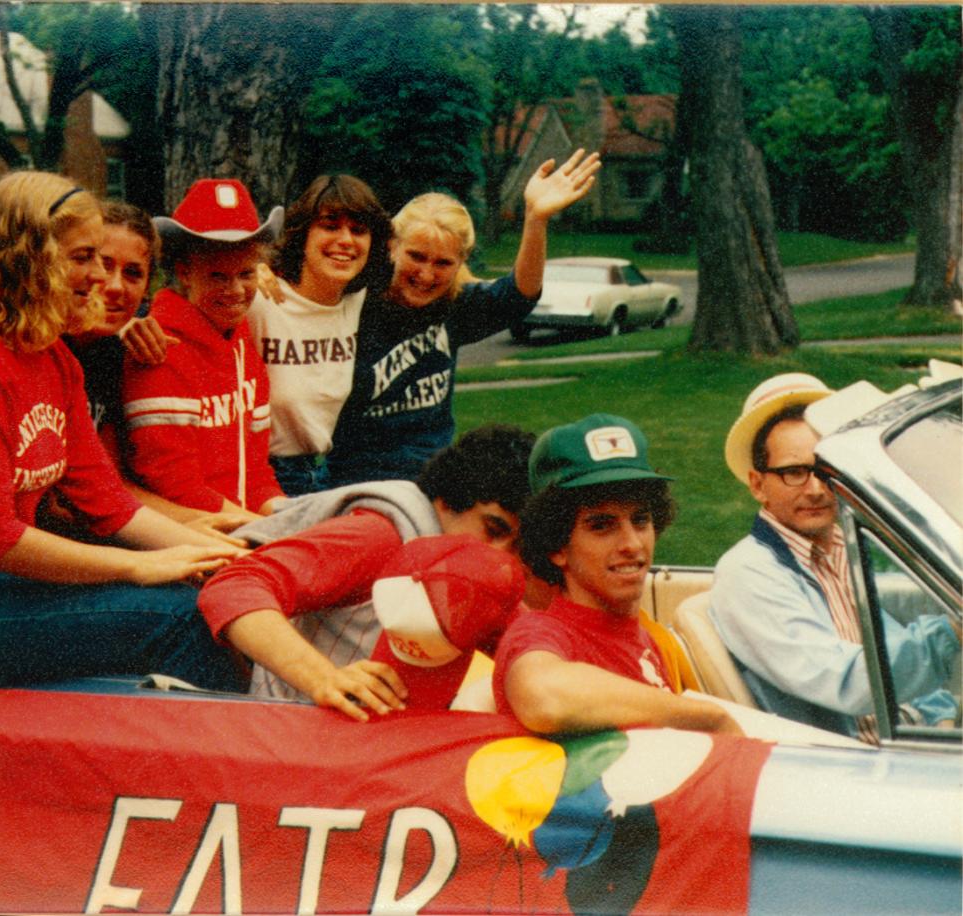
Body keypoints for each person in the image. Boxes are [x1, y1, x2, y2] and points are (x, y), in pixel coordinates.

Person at [0, 171, 245, 691]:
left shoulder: (55, 359)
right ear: (30, 257)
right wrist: (135, 569)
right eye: (83, 258)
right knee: (179, 617)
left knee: (218, 591)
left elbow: (107, 501)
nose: (96, 277)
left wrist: (226, 559)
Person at [197, 424, 548, 720]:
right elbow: (235, 583)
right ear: (446, 500)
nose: (503, 557)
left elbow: (539, 649)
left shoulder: (482, 576)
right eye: (494, 529)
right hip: (294, 727)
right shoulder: (381, 534)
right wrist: (324, 678)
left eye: (519, 548)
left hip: (377, 742)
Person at [708, 373, 960, 742]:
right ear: (758, 484)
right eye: (794, 472)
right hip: (843, 766)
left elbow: (889, 649)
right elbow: (847, 682)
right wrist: (952, 631)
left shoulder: (843, 546)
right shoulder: (746, 573)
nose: (814, 489)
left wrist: (940, 719)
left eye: (825, 472)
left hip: (900, 743)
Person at [326, 149, 601, 487]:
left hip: (432, 481)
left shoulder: (454, 306)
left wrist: (535, 219)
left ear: (461, 263)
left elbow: (519, 296)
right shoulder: (353, 299)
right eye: (416, 256)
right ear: (392, 246)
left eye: (442, 263)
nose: (426, 275)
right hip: (356, 481)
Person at [494, 414, 741, 737]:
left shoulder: (643, 635)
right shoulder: (540, 633)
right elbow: (543, 696)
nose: (632, 544)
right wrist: (709, 718)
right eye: (602, 526)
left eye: (640, 520)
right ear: (557, 546)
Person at [55, 200, 248, 545]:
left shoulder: (114, 354)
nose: (114, 286)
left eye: (133, 273)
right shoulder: (40, 352)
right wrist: (188, 533)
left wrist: (228, 524)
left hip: (102, 523)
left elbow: (111, 484)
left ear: (147, 287)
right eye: (101, 263)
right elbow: (67, 505)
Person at [122, 178, 286, 521]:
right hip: (186, 539)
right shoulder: (157, 349)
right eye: (217, 276)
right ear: (184, 272)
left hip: (241, 527)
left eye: (245, 273)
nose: (236, 290)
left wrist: (287, 516)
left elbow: (256, 475)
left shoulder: (243, 345)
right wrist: (265, 530)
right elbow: (174, 485)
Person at [249, 174, 393, 495]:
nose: (346, 240)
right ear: (303, 233)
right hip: (265, 476)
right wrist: (250, 266)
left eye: (358, 230)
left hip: (324, 472)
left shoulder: (356, 302)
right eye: (330, 226)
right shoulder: (261, 298)